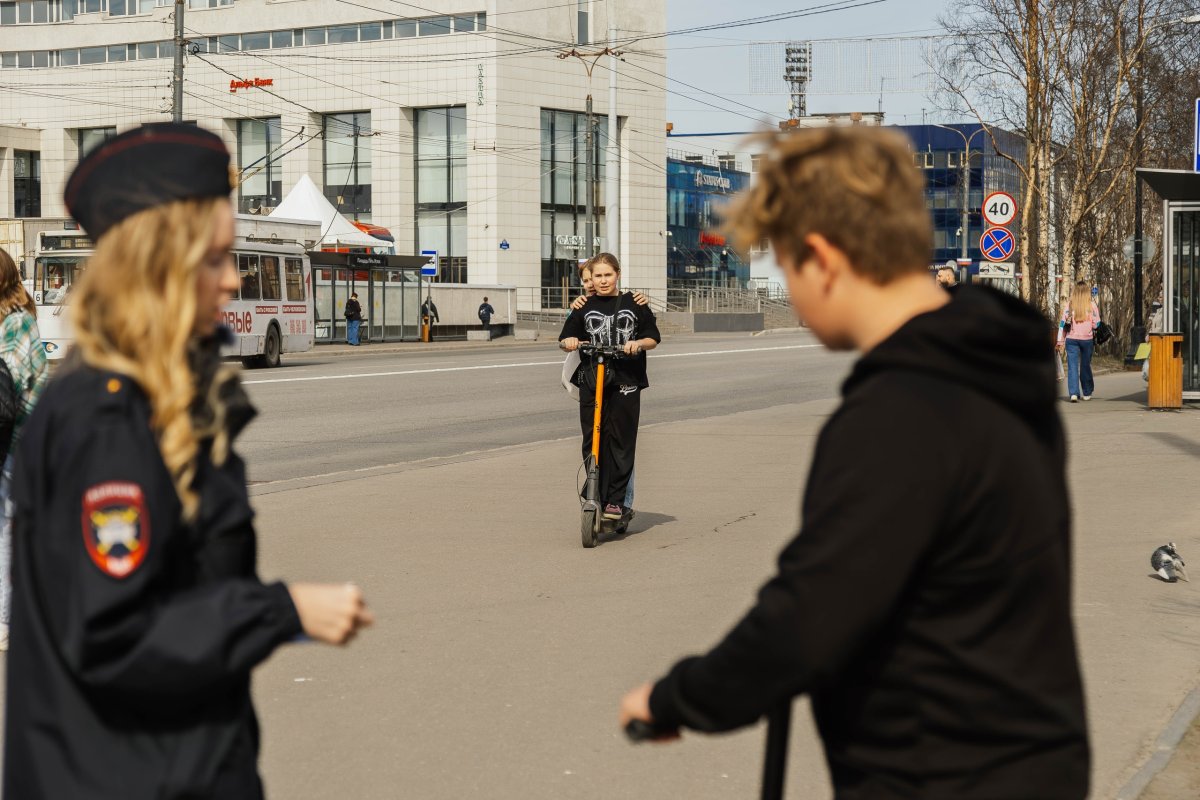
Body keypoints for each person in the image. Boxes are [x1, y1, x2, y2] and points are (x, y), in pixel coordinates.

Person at [619, 127, 1089, 799]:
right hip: (1030, 758)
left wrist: (676, 699)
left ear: (821, 257)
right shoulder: (993, 368)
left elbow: (811, 611)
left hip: (940, 774)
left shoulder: (900, 412)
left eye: (787, 263)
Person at [4, 123, 374, 799]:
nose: (233, 281)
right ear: (157, 267)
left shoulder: (151, 396)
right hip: (129, 773)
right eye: (215, 259)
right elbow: (115, 633)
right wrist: (281, 611)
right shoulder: (109, 419)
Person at [559, 253, 660, 521]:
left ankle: (617, 501)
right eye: (598, 276)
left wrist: (637, 344)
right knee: (593, 439)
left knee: (622, 440)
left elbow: (653, 337)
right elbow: (566, 336)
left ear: (618, 274)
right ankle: (595, 493)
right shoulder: (583, 305)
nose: (603, 281)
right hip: (593, 379)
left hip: (627, 379)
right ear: (590, 278)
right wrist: (569, 341)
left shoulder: (634, 302)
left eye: (608, 275)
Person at [0, 248, 48, 652]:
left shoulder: (14, 325)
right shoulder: (20, 322)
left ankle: (8, 619)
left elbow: (10, 389)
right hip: (17, 441)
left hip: (15, 443)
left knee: (9, 531)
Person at [1056, 279, 1102, 402]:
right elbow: (1096, 324)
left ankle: (1073, 393)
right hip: (1087, 340)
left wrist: (1059, 341)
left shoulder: (1069, 305)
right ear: (1087, 292)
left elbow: (1062, 324)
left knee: (1072, 367)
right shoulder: (1092, 305)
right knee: (1085, 365)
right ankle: (1087, 392)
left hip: (1071, 339)